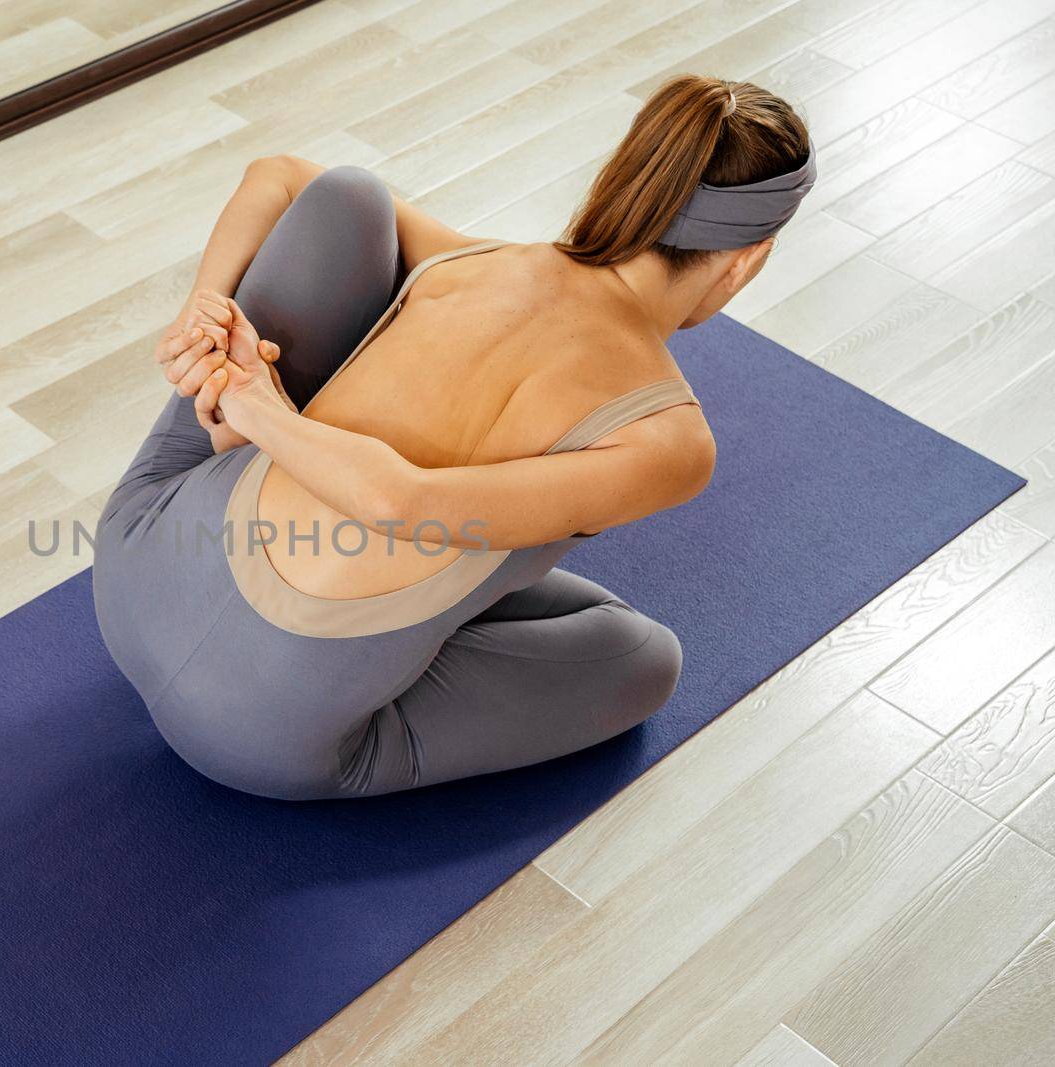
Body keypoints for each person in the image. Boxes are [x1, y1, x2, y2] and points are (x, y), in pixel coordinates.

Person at [93, 75, 816, 801]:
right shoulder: (669, 440)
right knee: (645, 657)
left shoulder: (468, 263)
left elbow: (275, 178)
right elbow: (403, 501)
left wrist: (203, 322)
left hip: (131, 563)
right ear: (747, 258)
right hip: (252, 737)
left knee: (351, 196)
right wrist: (260, 409)